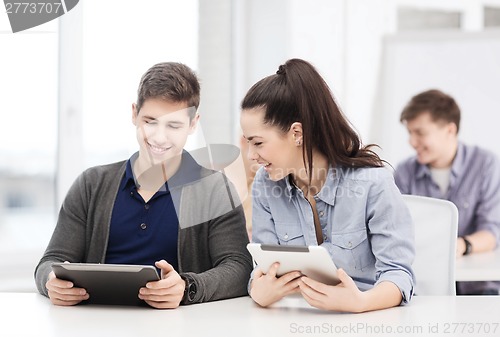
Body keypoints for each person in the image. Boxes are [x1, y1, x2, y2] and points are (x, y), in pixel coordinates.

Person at [35, 62, 253, 308]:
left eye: (173, 125)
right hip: (94, 322)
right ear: (134, 114)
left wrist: (186, 287)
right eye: (151, 121)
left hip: (178, 326)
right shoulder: (91, 185)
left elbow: (240, 268)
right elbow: (51, 261)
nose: (160, 137)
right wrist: (51, 281)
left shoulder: (215, 189)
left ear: (193, 124)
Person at [239, 58, 415, 312]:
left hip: (367, 323)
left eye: (258, 143)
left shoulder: (372, 183)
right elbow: (262, 269)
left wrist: (360, 303)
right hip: (297, 321)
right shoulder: (265, 187)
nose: (251, 156)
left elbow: (399, 275)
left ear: (296, 133)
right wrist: (258, 290)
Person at [394, 89, 500, 295]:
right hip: (423, 286)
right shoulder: (404, 172)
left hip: (478, 287)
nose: (412, 142)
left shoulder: (486, 164)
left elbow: (492, 231)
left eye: (420, 133)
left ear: (450, 130)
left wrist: (462, 245)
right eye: (410, 133)